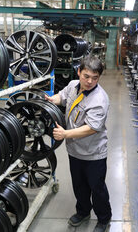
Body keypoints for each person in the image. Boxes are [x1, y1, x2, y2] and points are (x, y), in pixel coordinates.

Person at [45, 57, 112, 232]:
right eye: (86, 76)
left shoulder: (100, 99)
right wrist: (54, 99)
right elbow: (63, 97)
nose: (90, 81)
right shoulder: (73, 85)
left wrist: (65, 134)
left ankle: (104, 218)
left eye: (95, 78)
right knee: (79, 185)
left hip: (93, 153)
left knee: (97, 188)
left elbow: (91, 129)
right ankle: (83, 212)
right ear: (79, 72)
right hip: (74, 151)